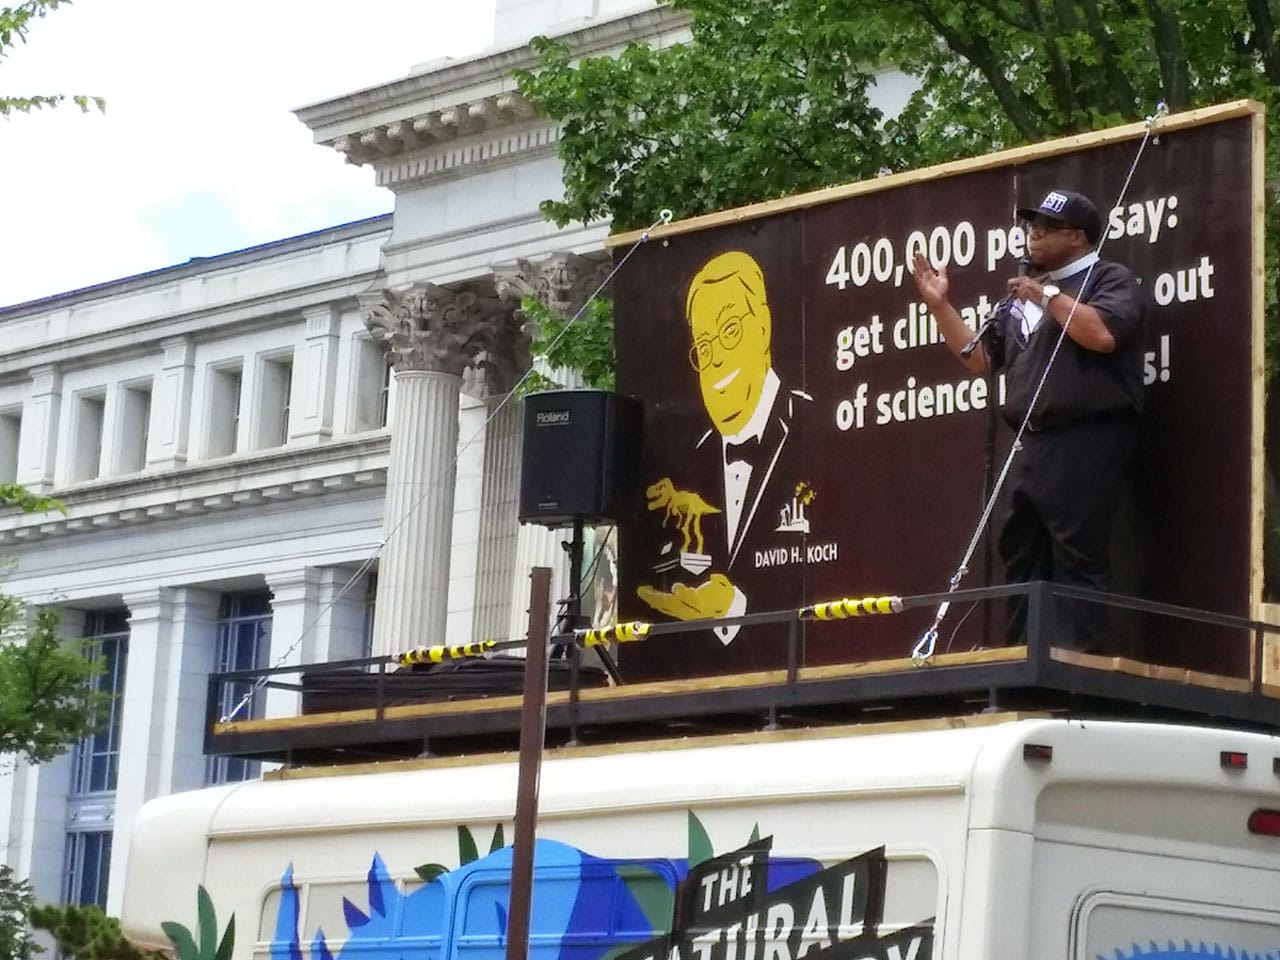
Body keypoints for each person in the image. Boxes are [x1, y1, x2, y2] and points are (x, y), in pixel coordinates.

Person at [912, 188, 1148, 651]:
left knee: (1076, 551)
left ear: (1077, 237)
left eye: (1045, 228)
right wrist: (940, 305)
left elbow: (1101, 335)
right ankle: (1024, 657)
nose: (1032, 236)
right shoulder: (1020, 295)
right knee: (1020, 550)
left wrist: (1046, 295)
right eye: (1029, 227)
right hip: (1028, 440)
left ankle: (1075, 664)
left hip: (1085, 436)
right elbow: (978, 358)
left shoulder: (1107, 278)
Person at [636, 250, 810, 652]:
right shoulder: (688, 462)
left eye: (730, 331)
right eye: (704, 347)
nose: (717, 362)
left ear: (763, 327)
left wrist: (733, 607)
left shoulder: (816, 426)